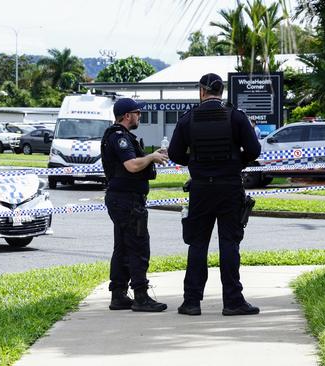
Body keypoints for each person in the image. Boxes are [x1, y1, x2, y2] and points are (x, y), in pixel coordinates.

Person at [168, 73, 262, 316]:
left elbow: (175, 153)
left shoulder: (188, 119)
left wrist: (196, 161)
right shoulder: (235, 116)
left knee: (198, 244)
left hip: (200, 188)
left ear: (201, 91)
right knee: (229, 243)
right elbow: (254, 149)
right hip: (229, 187)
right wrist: (234, 162)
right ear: (222, 91)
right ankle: (232, 301)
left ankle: (191, 302)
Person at [101, 98, 169, 312]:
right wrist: (150, 157)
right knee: (138, 245)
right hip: (127, 200)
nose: (140, 116)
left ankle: (118, 294)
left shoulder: (118, 136)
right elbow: (131, 166)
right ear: (127, 115)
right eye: (137, 113)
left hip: (122, 198)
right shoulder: (119, 137)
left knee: (122, 247)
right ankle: (140, 296)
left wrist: (150, 157)